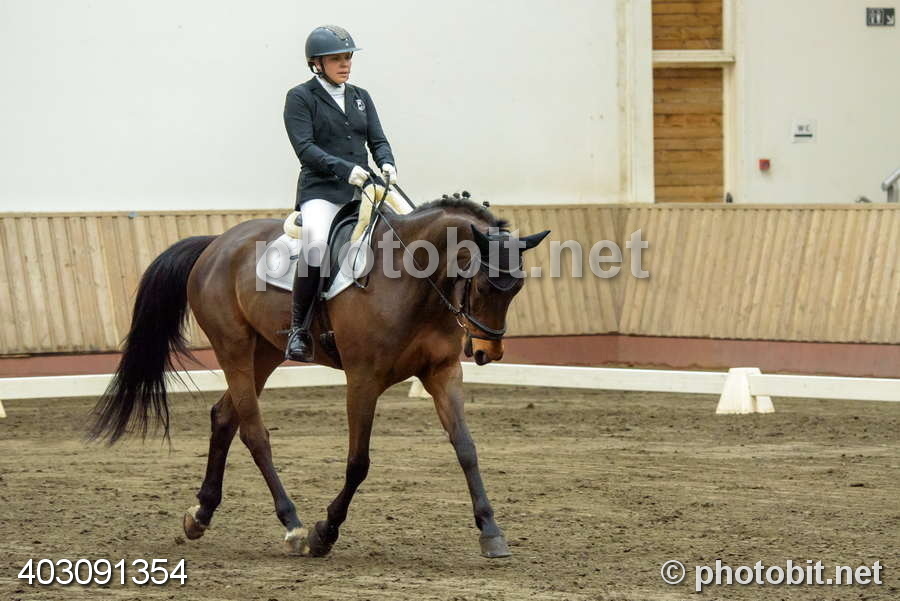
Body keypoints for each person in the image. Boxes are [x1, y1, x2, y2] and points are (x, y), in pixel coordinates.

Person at [283, 25, 397, 362]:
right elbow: (305, 148)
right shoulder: (300, 97)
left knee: (405, 229)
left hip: (364, 187)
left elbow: (377, 139)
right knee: (317, 245)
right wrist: (344, 169)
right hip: (322, 190)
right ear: (317, 63)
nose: (345, 64)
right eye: (336, 59)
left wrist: (387, 162)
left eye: (347, 58)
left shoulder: (360, 96)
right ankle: (299, 330)